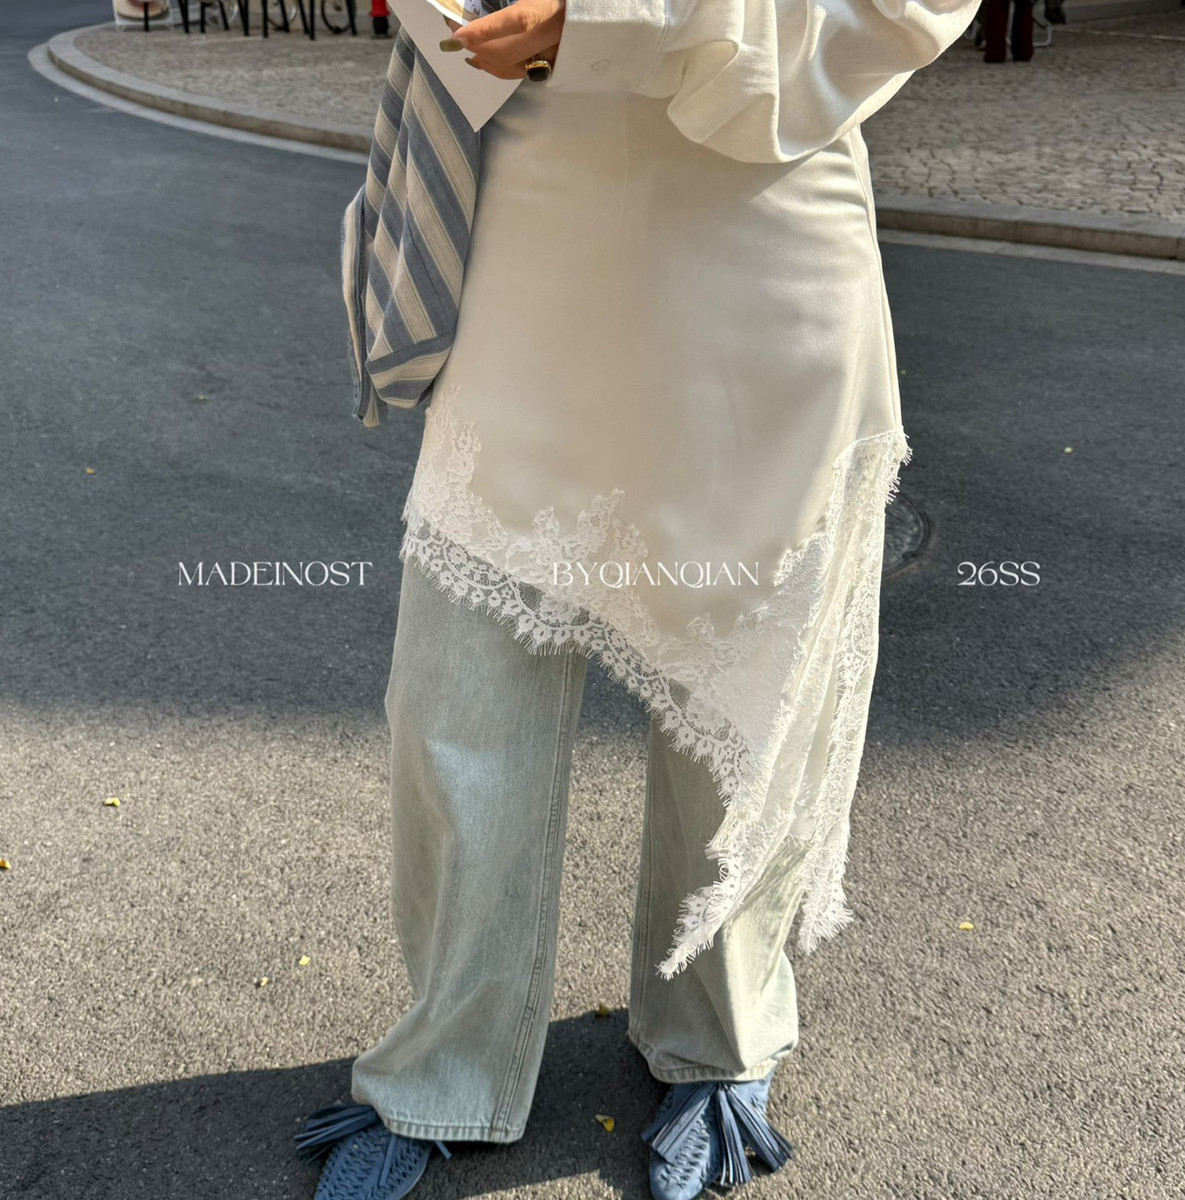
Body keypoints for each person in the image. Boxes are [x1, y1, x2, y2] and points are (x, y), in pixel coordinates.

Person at [295, 0, 983, 1196]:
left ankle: (720, 1039)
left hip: (757, 228)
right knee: (459, 692)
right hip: (528, 229)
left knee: (747, 687)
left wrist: (605, 22)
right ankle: (447, 1059)